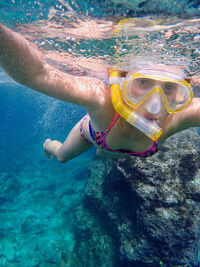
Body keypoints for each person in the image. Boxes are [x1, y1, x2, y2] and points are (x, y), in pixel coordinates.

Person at [0, 22, 200, 162]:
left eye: (170, 87)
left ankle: (102, 154)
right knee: (61, 156)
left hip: (111, 147)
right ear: (122, 81)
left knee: (106, 155)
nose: (154, 105)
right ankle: (49, 144)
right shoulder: (102, 100)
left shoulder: (180, 115)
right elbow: (36, 74)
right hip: (92, 136)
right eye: (143, 83)